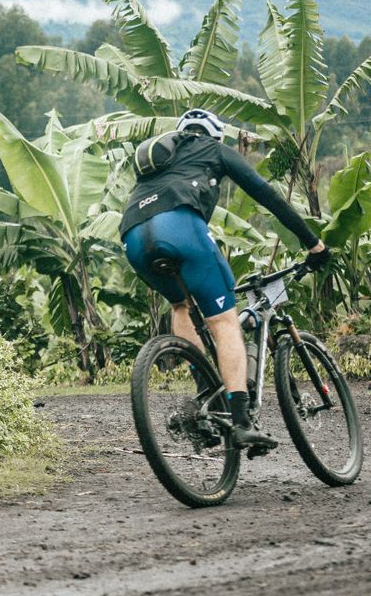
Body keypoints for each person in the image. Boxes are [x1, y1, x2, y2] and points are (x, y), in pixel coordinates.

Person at [120, 108, 329, 449]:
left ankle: (205, 394)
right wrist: (314, 244)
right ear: (214, 135)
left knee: (181, 305)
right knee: (223, 321)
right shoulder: (214, 149)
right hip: (181, 228)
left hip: (132, 237)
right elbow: (269, 196)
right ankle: (242, 420)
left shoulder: (160, 161)